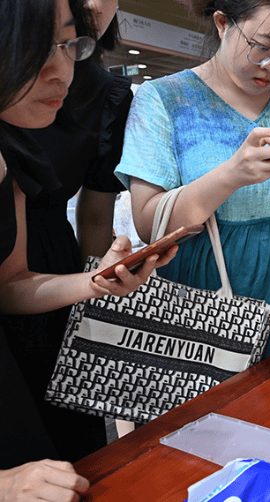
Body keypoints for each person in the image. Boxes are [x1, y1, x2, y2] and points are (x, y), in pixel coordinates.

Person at [117, 0, 270, 357]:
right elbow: (147, 223)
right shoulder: (164, 99)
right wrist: (231, 175)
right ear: (222, 24)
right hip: (199, 301)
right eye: (261, 47)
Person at [0, 0, 173, 493]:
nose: (64, 72)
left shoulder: (11, 156)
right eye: (42, 48)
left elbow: (8, 283)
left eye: (69, 44)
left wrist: (93, 281)